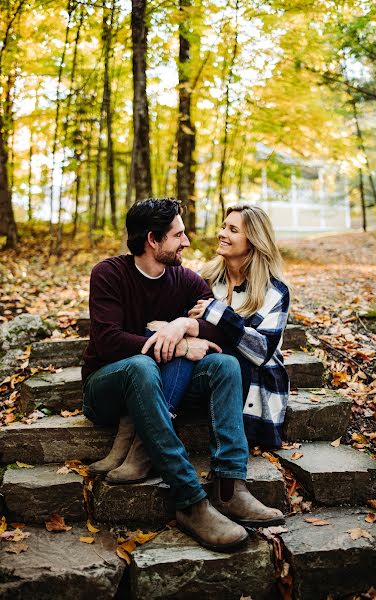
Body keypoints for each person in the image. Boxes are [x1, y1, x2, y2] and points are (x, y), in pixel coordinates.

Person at [81, 198, 285, 553]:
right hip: (105, 390)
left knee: (225, 365)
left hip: (156, 390)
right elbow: (109, 342)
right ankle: (190, 500)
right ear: (152, 240)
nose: (188, 242)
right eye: (178, 234)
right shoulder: (109, 273)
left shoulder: (188, 280)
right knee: (142, 365)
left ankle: (229, 486)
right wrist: (176, 345)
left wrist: (185, 327)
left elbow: (219, 335)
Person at [188, 204, 290, 449]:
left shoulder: (275, 291)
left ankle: (230, 465)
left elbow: (261, 350)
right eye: (224, 226)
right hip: (207, 371)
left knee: (237, 361)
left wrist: (220, 315)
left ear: (254, 241)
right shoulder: (206, 280)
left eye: (233, 229)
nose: (222, 233)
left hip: (253, 377)